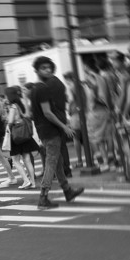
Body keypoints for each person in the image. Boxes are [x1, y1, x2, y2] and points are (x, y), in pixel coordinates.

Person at [28, 57, 85, 210]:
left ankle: (67, 191)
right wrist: (64, 126)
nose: (47, 70)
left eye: (49, 67)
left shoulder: (34, 88)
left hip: (43, 130)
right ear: (37, 70)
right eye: (43, 68)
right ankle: (43, 197)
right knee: (51, 163)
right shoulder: (43, 88)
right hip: (50, 130)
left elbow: (33, 112)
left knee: (58, 161)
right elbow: (47, 112)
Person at [4, 86, 39, 189]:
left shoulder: (12, 107)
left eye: (6, 95)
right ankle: (32, 182)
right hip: (24, 135)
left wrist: (6, 120)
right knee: (27, 159)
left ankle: (26, 181)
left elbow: (10, 122)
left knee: (15, 160)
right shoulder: (20, 105)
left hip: (16, 136)